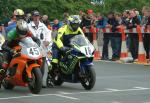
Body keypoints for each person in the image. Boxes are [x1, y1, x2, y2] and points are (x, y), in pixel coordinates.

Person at [28, 10, 52, 88]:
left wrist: (48, 41)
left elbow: (48, 32)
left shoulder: (43, 25)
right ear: (32, 17)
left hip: (42, 47)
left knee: (42, 65)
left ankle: (40, 81)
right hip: (32, 47)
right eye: (35, 16)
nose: (36, 17)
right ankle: (31, 79)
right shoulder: (28, 26)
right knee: (32, 63)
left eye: (37, 16)